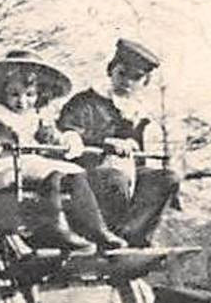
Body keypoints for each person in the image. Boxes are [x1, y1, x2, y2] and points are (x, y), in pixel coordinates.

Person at [0, 48, 127, 252]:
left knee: (73, 172)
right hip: (1, 166)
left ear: (39, 95)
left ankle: (95, 228)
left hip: (29, 164)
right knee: (50, 170)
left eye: (29, 95)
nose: (22, 101)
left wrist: (67, 140)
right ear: (1, 90)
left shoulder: (34, 117)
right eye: (14, 94)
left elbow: (52, 137)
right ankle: (53, 226)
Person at [58, 38, 182, 246]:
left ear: (145, 82)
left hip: (126, 175)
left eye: (136, 77)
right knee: (115, 179)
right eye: (122, 73)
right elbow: (66, 134)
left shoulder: (138, 114)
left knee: (167, 178)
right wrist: (105, 142)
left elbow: (137, 160)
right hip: (86, 174)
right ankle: (106, 234)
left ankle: (131, 234)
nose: (127, 82)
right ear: (111, 71)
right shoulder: (86, 101)